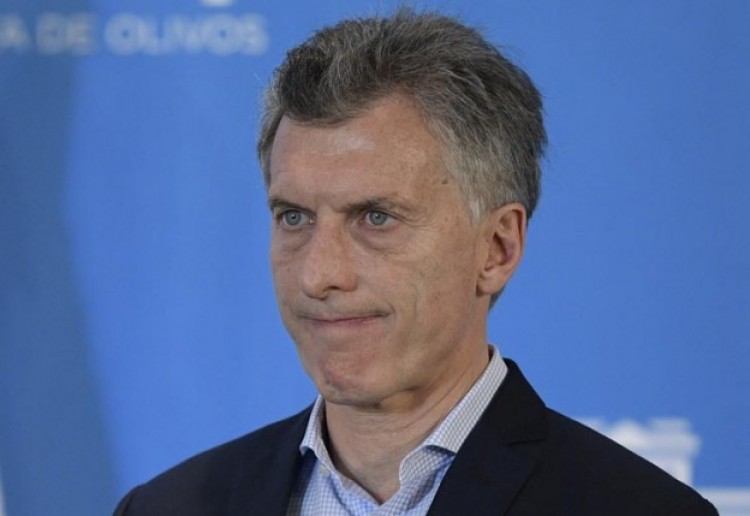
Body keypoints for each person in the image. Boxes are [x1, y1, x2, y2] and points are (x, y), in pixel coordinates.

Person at [115, 8, 717, 515]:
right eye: (294, 217)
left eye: (376, 217)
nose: (318, 274)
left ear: (497, 248)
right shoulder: (167, 508)